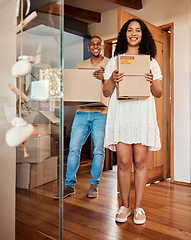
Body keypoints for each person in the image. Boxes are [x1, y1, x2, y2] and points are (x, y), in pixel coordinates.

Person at [103, 19, 162, 224]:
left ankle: (138, 208)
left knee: (140, 162)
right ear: (124, 34)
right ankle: (124, 206)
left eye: (138, 30)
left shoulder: (151, 62)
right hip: (121, 115)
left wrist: (151, 80)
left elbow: (159, 92)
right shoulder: (115, 60)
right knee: (124, 162)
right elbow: (106, 91)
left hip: (142, 115)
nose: (134, 33)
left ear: (143, 34)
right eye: (130, 30)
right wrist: (112, 78)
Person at [54, 36, 109, 199]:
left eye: (98, 44)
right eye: (92, 44)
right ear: (89, 48)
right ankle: (69, 185)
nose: (95, 46)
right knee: (73, 149)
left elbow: (115, 87)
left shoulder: (109, 64)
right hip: (82, 112)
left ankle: (94, 185)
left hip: (101, 112)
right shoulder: (80, 66)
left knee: (98, 150)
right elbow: (73, 85)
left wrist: (104, 77)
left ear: (102, 46)